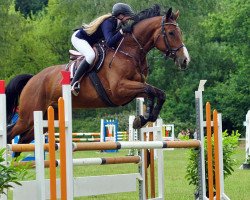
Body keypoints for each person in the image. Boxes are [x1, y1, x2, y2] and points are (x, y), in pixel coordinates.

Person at [70, 3, 135, 96]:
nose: (129, 19)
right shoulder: (109, 22)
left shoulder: (118, 23)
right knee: (91, 55)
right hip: (79, 38)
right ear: (120, 15)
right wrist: (121, 32)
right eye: (127, 16)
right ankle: (73, 83)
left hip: (90, 41)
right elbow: (109, 42)